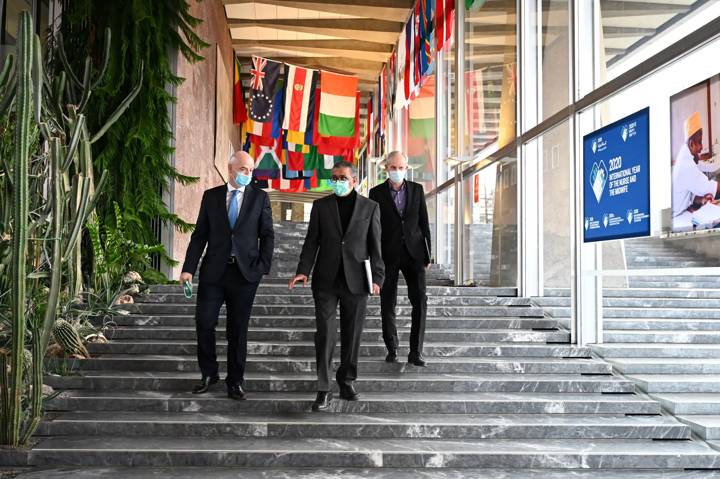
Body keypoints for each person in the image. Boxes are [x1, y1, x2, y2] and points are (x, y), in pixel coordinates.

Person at [289, 160, 384, 411]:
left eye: (343, 178)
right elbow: (312, 242)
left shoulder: (370, 207)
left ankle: (347, 380)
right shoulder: (321, 207)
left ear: (354, 180)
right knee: (325, 334)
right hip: (326, 281)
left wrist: (377, 278)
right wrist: (302, 271)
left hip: (358, 280)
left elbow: (376, 246)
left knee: (353, 334)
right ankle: (323, 388)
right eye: (334, 178)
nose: (338, 182)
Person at [180, 151, 274, 400]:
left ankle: (235, 381)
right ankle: (209, 373)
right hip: (214, 273)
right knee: (204, 322)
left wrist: (263, 266)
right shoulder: (211, 197)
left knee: (238, 330)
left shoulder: (259, 198)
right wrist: (188, 268)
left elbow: (267, 234)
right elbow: (200, 235)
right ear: (230, 169)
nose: (247, 174)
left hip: (244, 275)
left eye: (251, 170)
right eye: (243, 169)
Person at [369, 151, 431, 367]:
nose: (398, 171)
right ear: (386, 168)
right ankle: (392, 348)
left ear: (407, 167)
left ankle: (416, 351)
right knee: (388, 303)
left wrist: (428, 253)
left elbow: (424, 222)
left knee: (420, 302)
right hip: (388, 255)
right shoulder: (375, 193)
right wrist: (373, 257)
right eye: (393, 167)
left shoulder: (417, 189)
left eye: (401, 167)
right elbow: (373, 228)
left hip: (414, 254)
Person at [673, 111, 720, 217]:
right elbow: (712, 187)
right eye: (699, 142)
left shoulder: (685, 154)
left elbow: (688, 192)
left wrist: (702, 199)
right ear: (691, 144)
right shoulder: (686, 165)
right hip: (678, 216)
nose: (702, 147)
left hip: (685, 209)